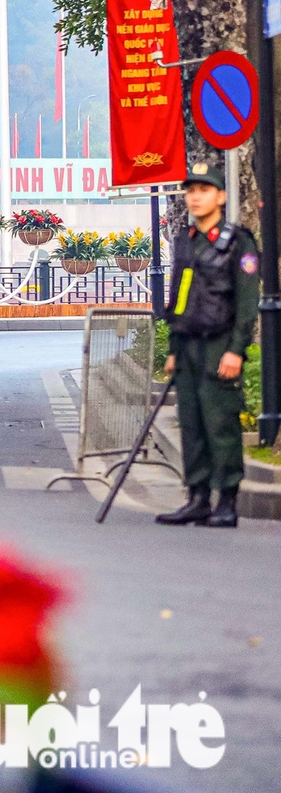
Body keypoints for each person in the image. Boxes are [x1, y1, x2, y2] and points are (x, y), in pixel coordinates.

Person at [155, 161, 258, 529]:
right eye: (191, 191)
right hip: (188, 347)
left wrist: (236, 349)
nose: (196, 197)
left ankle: (226, 501)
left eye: (204, 190)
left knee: (220, 423)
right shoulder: (186, 241)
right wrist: (173, 347)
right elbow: (179, 296)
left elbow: (247, 301)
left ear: (221, 196)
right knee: (192, 424)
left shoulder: (238, 242)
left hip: (219, 345)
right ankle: (197, 499)